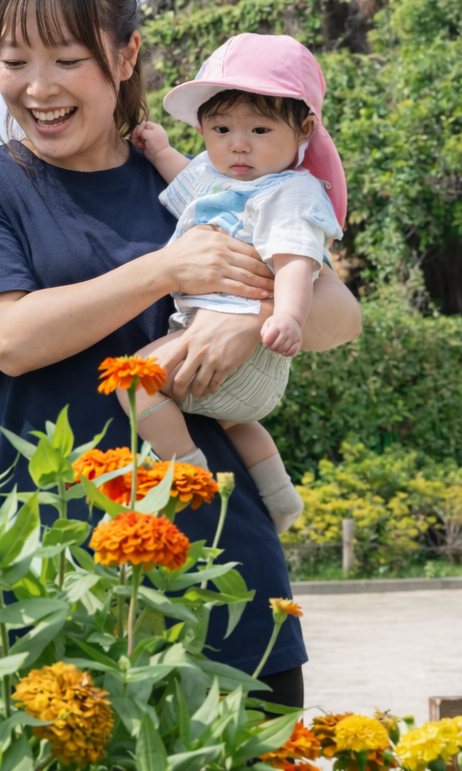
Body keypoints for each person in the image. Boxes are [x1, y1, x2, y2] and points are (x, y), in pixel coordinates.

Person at [0, 0, 362, 709]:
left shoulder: (213, 182)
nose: (38, 87)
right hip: (51, 565)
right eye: (14, 60)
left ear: (126, 56)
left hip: (217, 557)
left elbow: (340, 319)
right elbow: (10, 340)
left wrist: (250, 316)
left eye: (67, 59)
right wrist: (166, 270)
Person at [124, 33, 345, 534]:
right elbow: (190, 185)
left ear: (304, 129)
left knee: (133, 381)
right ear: (203, 128)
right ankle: (280, 497)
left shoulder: (289, 191)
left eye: (260, 129)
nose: (238, 144)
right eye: (221, 128)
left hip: (249, 352)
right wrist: (161, 151)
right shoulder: (224, 177)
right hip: (238, 374)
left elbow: (296, 259)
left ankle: (187, 472)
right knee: (234, 420)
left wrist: (287, 316)